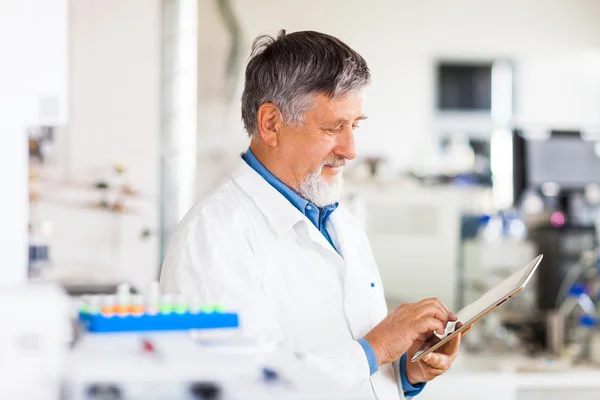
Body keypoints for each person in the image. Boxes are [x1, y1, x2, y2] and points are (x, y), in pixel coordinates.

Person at [160, 30, 464, 399]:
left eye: (355, 125)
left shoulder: (338, 220)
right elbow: (236, 387)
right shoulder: (214, 233)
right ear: (271, 123)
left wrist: (406, 370)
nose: (351, 149)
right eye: (334, 127)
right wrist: (375, 348)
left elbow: (355, 368)